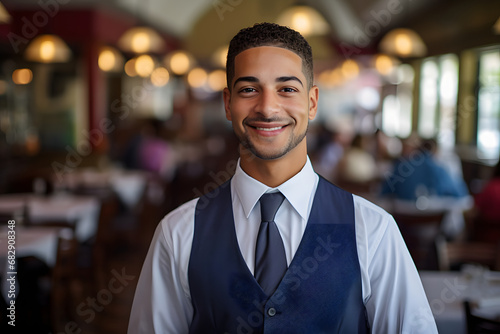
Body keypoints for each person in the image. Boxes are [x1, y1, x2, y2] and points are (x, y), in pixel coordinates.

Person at [128, 23, 437, 333]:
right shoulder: (178, 232)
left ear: (312, 102)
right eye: (249, 89)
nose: (267, 108)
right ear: (227, 103)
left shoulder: (373, 230)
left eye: (287, 89)